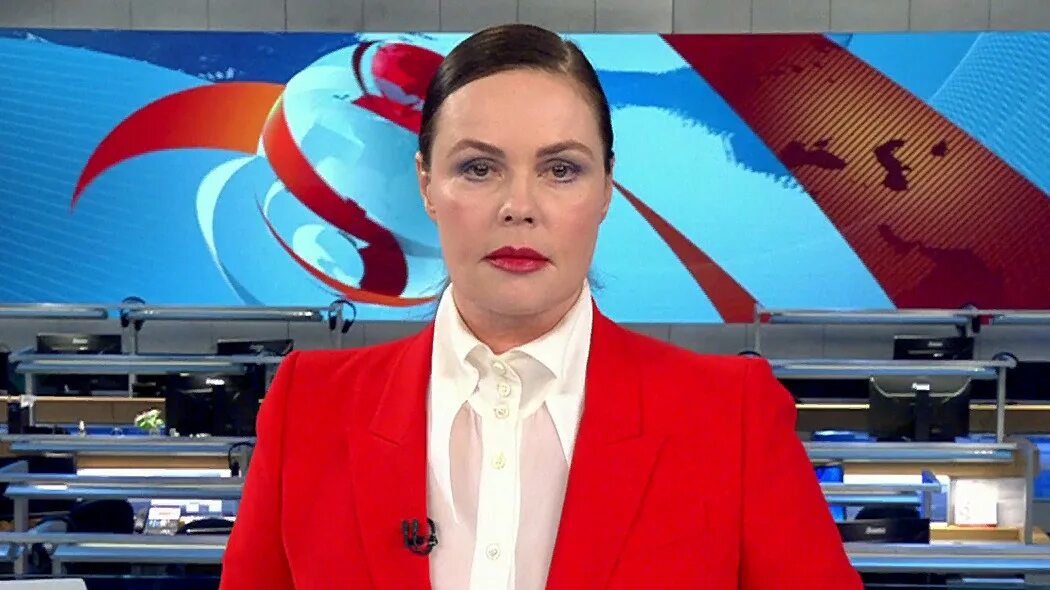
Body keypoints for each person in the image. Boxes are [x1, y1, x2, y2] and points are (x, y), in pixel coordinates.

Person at [219, 24, 862, 590]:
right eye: (478, 168)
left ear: (606, 191)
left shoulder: (730, 417)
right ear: (427, 187)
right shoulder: (309, 408)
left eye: (560, 170)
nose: (519, 207)